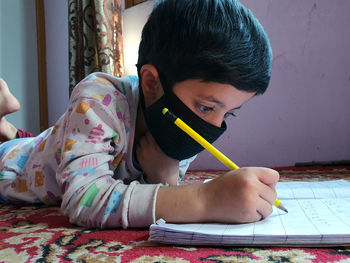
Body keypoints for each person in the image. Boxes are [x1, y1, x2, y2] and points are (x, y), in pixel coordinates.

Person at [0, 0, 279, 228]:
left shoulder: (184, 125)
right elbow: (83, 199)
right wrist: (205, 199)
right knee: (24, 153)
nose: (214, 126)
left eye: (228, 114)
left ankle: (7, 127)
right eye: (206, 107)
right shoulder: (99, 97)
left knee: (48, 143)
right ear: (150, 82)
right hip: (14, 166)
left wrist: (165, 178)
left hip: (53, 147)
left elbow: (146, 190)